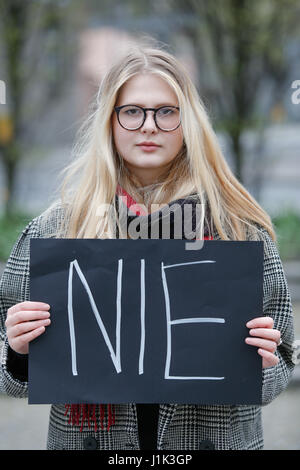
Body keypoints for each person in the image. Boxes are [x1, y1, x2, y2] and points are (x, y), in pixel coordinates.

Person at [0, 40, 295, 451]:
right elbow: (9, 375)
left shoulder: (238, 232)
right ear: (110, 121)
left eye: (166, 111)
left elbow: (282, 363)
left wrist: (265, 361)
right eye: (133, 111)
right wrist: (17, 348)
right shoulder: (55, 232)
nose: (149, 125)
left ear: (188, 120)